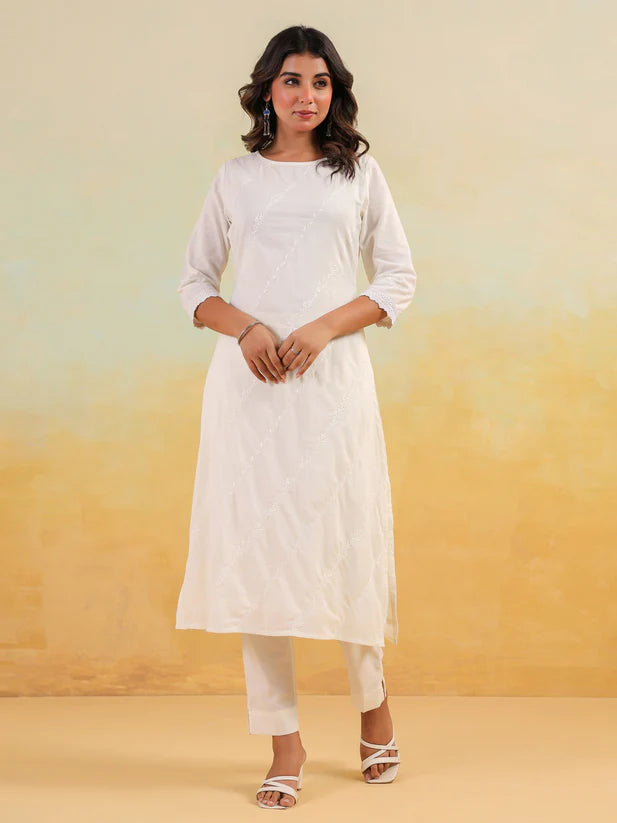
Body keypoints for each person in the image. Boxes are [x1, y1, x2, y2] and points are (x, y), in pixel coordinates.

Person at [175, 25, 418, 809]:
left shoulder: (358, 175)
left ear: (334, 92)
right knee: (257, 558)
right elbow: (194, 283)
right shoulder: (235, 179)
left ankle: (373, 708)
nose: (306, 95)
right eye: (291, 80)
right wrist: (246, 328)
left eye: (319, 82)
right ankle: (284, 741)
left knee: (347, 541)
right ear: (266, 91)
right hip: (249, 391)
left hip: (332, 384)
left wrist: (321, 327)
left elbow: (396, 278)